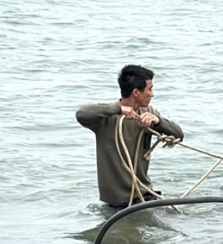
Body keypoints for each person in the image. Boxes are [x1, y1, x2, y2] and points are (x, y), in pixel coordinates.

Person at [76, 65, 184, 210]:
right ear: (136, 92)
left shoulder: (149, 112)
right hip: (117, 203)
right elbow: (81, 114)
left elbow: (178, 135)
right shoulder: (107, 118)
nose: (152, 94)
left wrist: (158, 122)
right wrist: (118, 109)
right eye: (150, 89)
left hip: (145, 195)